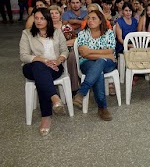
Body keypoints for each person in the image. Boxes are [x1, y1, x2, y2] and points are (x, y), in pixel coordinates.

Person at [19, 8, 68, 136]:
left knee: (42, 79)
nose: (39, 21)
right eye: (36, 18)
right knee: (38, 66)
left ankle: (46, 117)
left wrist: (58, 60)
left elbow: (64, 50)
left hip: (54, 67)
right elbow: (23, 56)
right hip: (32, 67)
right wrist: (41, 59)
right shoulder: (27, 33)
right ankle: (54, 98)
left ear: (48, 20)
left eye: (42, 18)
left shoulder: (57, 32)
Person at [73, 10, 117, 121]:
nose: (90, 21)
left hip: (108, 63)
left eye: (93, 18)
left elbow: (111, 51)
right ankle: (102, 108)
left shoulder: (109, 33)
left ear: (100, 20)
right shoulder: (83, 33)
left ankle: (82, 92)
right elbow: (84, 54)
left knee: (100, 63)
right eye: (88, 18)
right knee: (99, 71)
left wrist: (90, 52)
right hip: (86, 63)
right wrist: (103, 54)